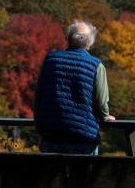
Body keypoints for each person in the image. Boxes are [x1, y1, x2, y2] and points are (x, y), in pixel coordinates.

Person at [33, 20, 114, 155]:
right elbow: (101, 101)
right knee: (85, 176)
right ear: (89, 43)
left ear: (68, 39)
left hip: (51, 135)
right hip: (83, 137)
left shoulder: (50, 60)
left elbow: (39, 96)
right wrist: (105, 115)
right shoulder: (96, 65)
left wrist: (39, 123)